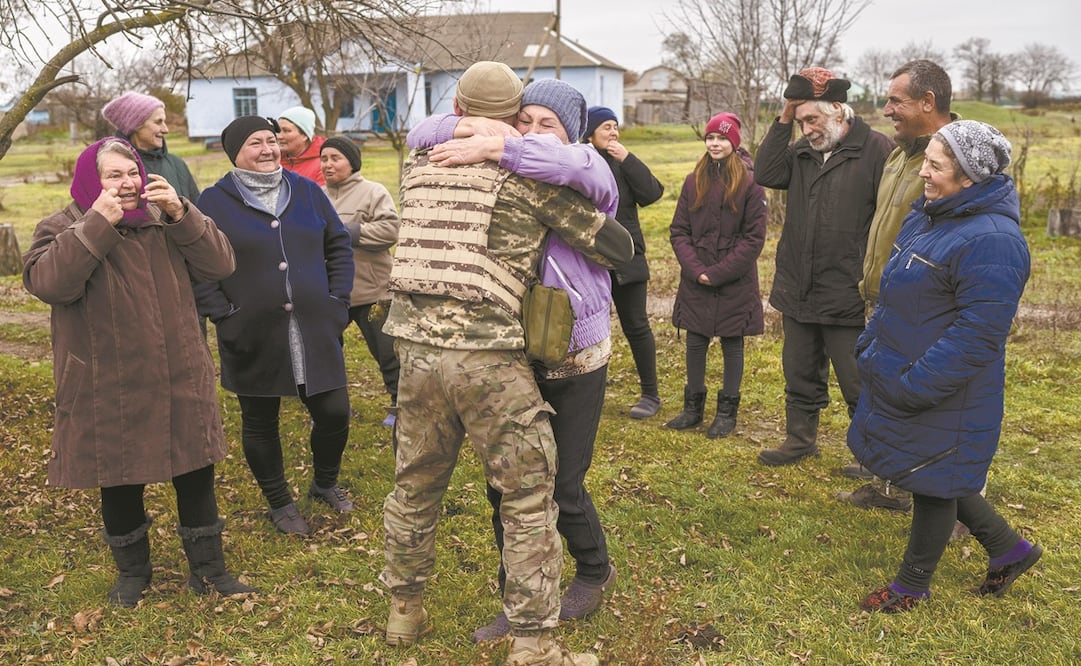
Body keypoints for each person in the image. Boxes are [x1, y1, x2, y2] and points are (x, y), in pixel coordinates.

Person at [380, 61, 632, 666]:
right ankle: (534, 644)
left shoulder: (417, 168)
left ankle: (403, 614)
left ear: (458, 109)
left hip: (412, 353)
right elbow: (616, 246)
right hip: (489, 357)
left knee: (414, 485)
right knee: (527, 496)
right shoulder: (521, 178)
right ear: (512, 118)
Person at [22, 137, 254, 607]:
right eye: (114, 175)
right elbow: (50, 285)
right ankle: (132, 576)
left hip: (178, 371)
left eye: (133, 173)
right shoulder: (62, 226)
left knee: (194, 472)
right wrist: (96, 226)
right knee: (119, 477)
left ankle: (210, 572)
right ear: (92, 180)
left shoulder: (165, 220)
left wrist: (182, 214)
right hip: (108, 382)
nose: (128, 184)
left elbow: (221, 263)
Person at [849, 120, 1041, 612]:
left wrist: (917, 382)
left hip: (946, 386)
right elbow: (893, 290)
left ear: (970, 178)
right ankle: (1009, 549)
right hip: (904, 369)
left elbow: (980, 332)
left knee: (933, 479)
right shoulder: (929, 216)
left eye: (935, 166)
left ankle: (910, 587)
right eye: (927, 161)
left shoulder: (993, 240)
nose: (924, 174)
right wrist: (873, 343)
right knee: (933, 468)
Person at [195, 116, 355, 536]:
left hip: (316, 326)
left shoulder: (307, 191)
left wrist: (338, 300)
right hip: (251, 330)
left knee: (334, 411)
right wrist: (222, 314)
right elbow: (198, 266)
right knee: (260, 419)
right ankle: (280, 502)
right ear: (235, 152)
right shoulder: (213, 202)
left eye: (272, 140)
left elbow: (337, 244)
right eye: (255, 143)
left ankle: (325, 482)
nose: (268, 149)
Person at [753, 67, 894, 467]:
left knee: (856, 379)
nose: (807, 129)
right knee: (798, 372)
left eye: (811, 119)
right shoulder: (801, 153)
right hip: (799, 284)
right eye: (800, 122)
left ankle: (872, 455)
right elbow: (765, 173)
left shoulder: (877, 151)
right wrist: (785, 118)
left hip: (846, 288)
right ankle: (800, 440)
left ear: (837, 109)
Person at [839, 59, 957, 511]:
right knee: (883, 395)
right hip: (882, 298)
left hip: (924, 306)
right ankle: (888, 483)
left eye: (895, 101)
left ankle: (949, 503)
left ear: (928, 102)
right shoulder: (897, 154)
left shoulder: (957, 160)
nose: (886, 109)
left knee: (930, 405)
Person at [666, 112, 767, 437]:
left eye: (722, 138)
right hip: (696, 277)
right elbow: (679, 230)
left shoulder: (750, 183)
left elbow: (754, 238)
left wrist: (720, 273)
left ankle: (727, 413)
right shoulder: (694, 179)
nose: (714, 143)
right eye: (710, 137)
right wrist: (696, 271)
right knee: (695, 339)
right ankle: (692, 408)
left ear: (734, 143)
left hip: (734, 280)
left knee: (731, 342)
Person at [582, 106, 665, 419]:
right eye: (606, 127)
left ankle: (650, 394)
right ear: (590, 132)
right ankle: (590, 394)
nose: (613, 132)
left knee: (637, 325)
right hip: (590, 260)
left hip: (628, 259)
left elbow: (653, 193)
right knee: (591, 330)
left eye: (615, 127)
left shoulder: (623, 163)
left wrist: (628, 159)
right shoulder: (582, 164)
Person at [320, 136, 402, 428]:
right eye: (324, 158)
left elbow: (391, 230)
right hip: (332, 292)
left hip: (373, 291)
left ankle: (399, 407)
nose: (328, 164)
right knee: (326, 354)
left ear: (351, 162)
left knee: (389, 353)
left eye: (335, 158)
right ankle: (334, 410)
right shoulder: (316, 195)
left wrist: (346, 231)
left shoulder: (373, 192)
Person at [101, 91, 200, 201]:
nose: (165, 130)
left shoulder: (177, 165)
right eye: (158, 122)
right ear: (136, 125)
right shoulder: (110, 167)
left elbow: (197, 214)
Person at [278, 106, 326, 185]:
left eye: (286, 131)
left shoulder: (322, 166)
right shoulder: (274, 161)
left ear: (305, 135)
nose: (279, 136)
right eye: (278, 131)